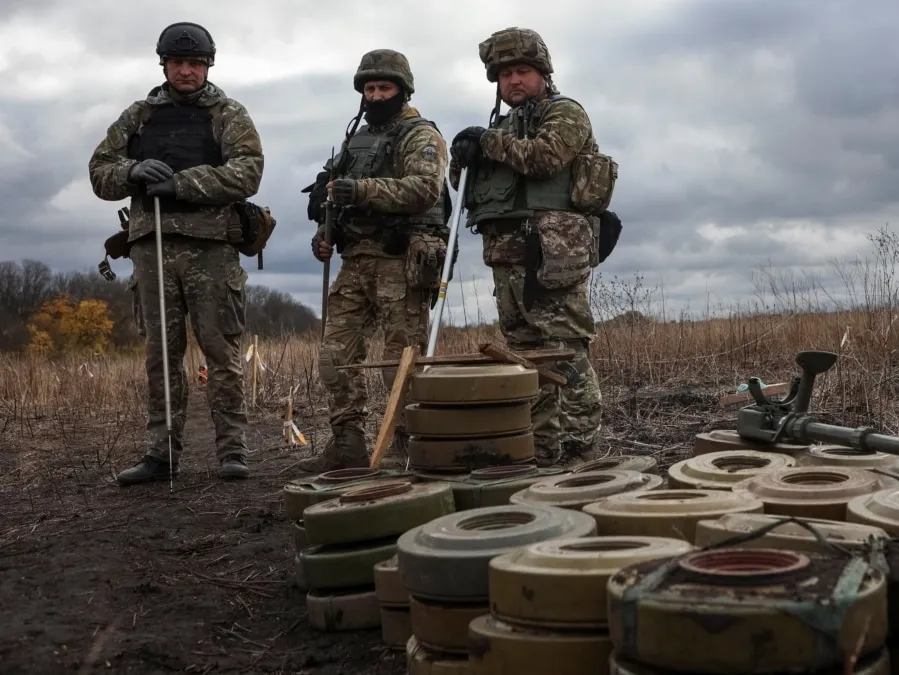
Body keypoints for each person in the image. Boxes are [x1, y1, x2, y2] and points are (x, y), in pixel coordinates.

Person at [87, 22, 264, 485]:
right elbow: (100, 172)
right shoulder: (139, 115)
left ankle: (233, 451)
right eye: (178, 63)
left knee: (221, 351)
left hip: (211, 248)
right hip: (153, 247)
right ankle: (160, 454)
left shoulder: (228, 113)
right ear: (164, 64)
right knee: (160, 354)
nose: (187, 71)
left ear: (208, 65)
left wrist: (182, 183)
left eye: (196, 63)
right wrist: (133, 170)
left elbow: (248, 173)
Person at [449, 27, 617, 467]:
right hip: (504, 253)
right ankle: (543, 447)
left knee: (564, 350)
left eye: (522, 71)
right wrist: (461, 157)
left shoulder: (566, 113)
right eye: (504, 75)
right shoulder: (499, 128)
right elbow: (465, 188)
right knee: (524, 356)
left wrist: (485, 142)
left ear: (542, 72)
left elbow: (545, 158)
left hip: (551, 249)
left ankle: (581, 450)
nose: (513, 82)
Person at [298, 49, 450, 473]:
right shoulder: (354, 141)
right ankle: (348, 443)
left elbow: (424, 189)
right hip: (356, 260)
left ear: (402, 90)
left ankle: (407, 446)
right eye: (369, 88)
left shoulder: (421, 135)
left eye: (385, 87)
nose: (376, 95)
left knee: (401, 363)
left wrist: (361, 190)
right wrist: (324, 234)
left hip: (401, 261)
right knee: (334, 356)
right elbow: (333, 199)